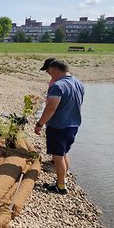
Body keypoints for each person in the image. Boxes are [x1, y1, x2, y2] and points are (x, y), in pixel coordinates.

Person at [34, 59, 85, 195]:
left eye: (49, 71)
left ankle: (61, 187)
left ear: (56, 69)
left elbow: (51, 108)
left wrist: (39, 124)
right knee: (63, 153)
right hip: (73, 125)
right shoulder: (78, 83)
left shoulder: (58, 86)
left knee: (57, 157)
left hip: (59, 127)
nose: (49, 74)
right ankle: (63, 180)